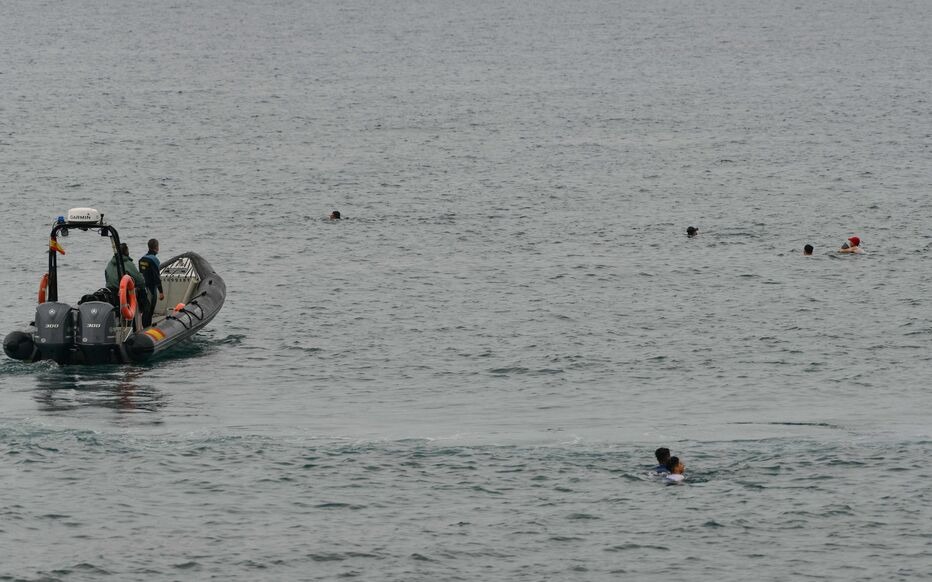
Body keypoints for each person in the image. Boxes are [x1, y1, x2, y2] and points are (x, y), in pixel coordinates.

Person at [105, 243, 147, 330]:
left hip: (111, 294)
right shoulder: (127, 263)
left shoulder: (110, 263)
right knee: (142, 291)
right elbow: (140, 281)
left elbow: (107, 277)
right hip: (123, 294)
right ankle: (143, 317)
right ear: (126, 251)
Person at [138, 238, 165, 327]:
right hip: (151, 289)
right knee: (149, 310)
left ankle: (144, 326)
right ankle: (147, 328)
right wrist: (161, 292)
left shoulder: (141, 259)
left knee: (145, 309)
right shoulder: (154, 260)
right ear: (156, 247)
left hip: (143, 288)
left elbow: (141, 274)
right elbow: (156, 277)